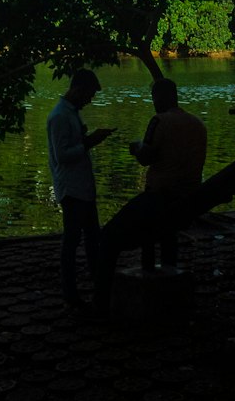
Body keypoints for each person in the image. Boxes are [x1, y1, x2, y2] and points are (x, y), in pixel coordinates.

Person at [94, 77, 206, 309]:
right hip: (187, 201)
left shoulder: (159, 121)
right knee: (165, 233)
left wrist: (136, 148)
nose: (154, 103)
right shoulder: (197, 125)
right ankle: (168, 293)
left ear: (160, 98)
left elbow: (147, 157)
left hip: (160, 199)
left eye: (155, 98)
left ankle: (101, 303)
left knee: (107, 238)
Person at [46, 68, 115, 309]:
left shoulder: (71, 114)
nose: (90, 100)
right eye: (89, 95)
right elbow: (62, 156)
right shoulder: (60, 117)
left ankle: (97, 284)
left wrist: (84, 140)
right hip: (72, 189)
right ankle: (70, 291)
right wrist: (88, 142)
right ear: (78, 90)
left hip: (83, 187)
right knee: (73, 240)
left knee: (92, 238)